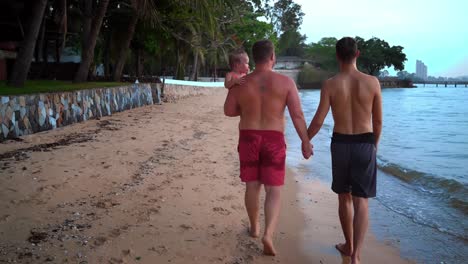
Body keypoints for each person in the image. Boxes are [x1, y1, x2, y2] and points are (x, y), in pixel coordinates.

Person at [224, 40, 312, 256]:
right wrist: (306, 140)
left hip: (248, 137)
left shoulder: (241, 83)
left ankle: (254, 227)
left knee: (252, 186)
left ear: (254, 59)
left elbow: (228, 110)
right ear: (272, 57)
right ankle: (268, 234)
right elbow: (297, 115)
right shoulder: (286, 82)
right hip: (273, 139)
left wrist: (247, 110)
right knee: (274, 189)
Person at [306, 37, 383, 264]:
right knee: (362, 201)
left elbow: (319, 120)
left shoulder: (330, 84)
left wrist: (306, 140)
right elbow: (378, 122)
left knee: (344, 197)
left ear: (338, 56)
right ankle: (356, 256)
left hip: (340, 144)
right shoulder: (373, 82)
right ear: (357, 54)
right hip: (364, 143)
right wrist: (373, 146)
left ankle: (348, 245)